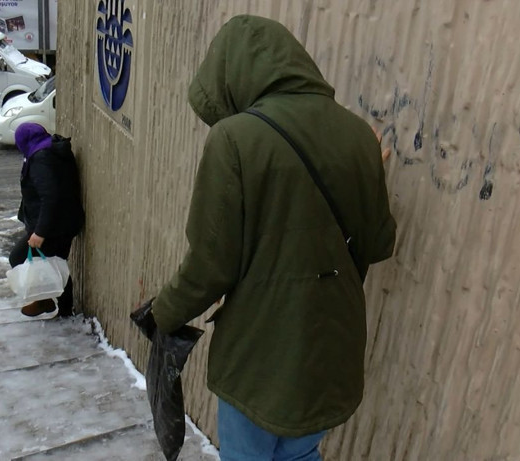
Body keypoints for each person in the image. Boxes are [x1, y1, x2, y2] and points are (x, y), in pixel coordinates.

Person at [149, 15, 396, 460]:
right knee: (300, 455)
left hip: (260, 359)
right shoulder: (359, 136)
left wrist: (163, 313)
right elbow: (379, 244)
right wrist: (370, 173)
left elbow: (211, 263)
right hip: (331, 352)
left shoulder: (235, 138)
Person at [10, 123, 84, 318]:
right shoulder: (48, 149)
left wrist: (40, 232)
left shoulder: (41, 159)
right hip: (63, 221)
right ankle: (57, 305)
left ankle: (48, 302)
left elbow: (50, 196)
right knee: (56, 263)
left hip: (54, 225)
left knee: (19, 258)